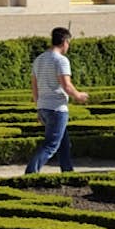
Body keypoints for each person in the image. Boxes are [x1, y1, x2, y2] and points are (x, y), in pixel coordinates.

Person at [25, 27, 88, 176]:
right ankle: (31, 173)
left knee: (64, 143)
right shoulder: (61, 60)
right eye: (68, 43)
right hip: (56, 108)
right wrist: (78, 95)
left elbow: (34, 86)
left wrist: (38, 107)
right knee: (51, 145)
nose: (68, 46)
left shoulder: (39, 59)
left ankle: (68, 172)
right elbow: (66, 85)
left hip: (44, 106)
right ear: (64, 41)